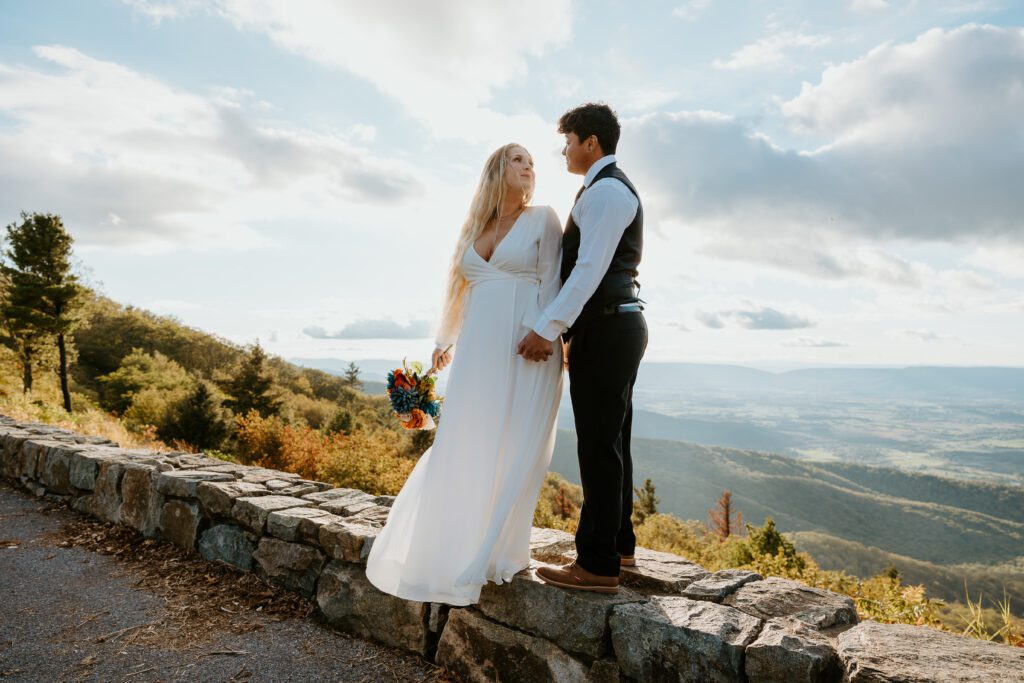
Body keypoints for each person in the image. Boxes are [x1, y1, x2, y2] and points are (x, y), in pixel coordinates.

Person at [364, 143, 565, 606]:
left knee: (514, 442)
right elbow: (458, 290)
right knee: (464, 438)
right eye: (519, 159)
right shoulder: (477, 227)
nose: (529, 167)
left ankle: (498, 552)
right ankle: (447, 546)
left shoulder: (544, 218)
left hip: (525, 346)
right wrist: (443, 341)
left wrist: (548, 333)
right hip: (477, 349)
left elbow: (554, 280)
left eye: (532, 163)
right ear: (497, 169)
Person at [519, 102, 647, 595]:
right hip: (611, 326)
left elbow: (588, 271)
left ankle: (597, 564)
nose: (564, 150)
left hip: (610, 326)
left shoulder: (609, 192)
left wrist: (548, 328)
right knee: (612, 441)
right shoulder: (601, 190)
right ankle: (620, 547)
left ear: (590, 142)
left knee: (599, 445)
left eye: (568, 140)